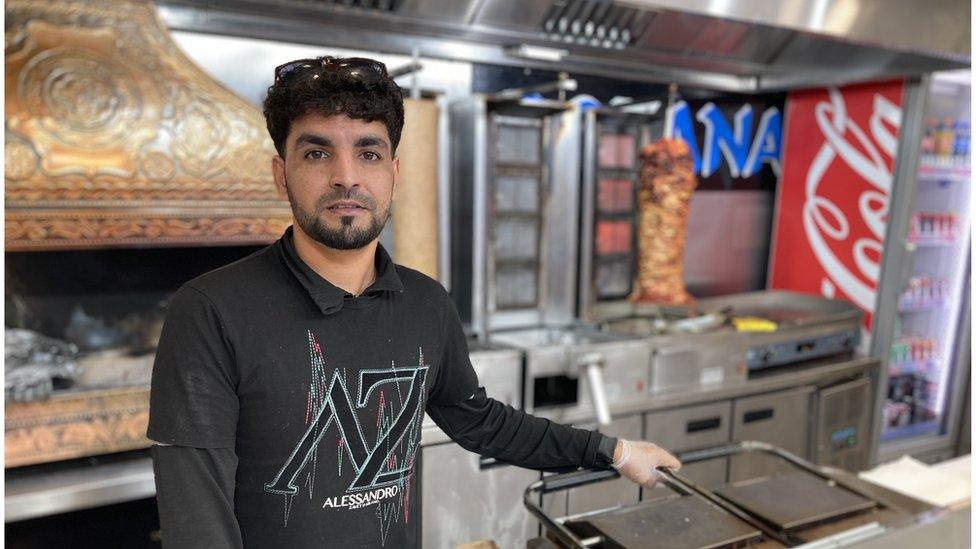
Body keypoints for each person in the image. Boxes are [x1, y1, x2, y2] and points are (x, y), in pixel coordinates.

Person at [148, 56, 681, 548]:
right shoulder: (211, 311)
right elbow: (198, 519)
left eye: (369, 152)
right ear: (279, 173)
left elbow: (482, 422)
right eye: (316, 152)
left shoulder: (425, 302)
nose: (347, 176)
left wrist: (614, 452)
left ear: (394, 174)